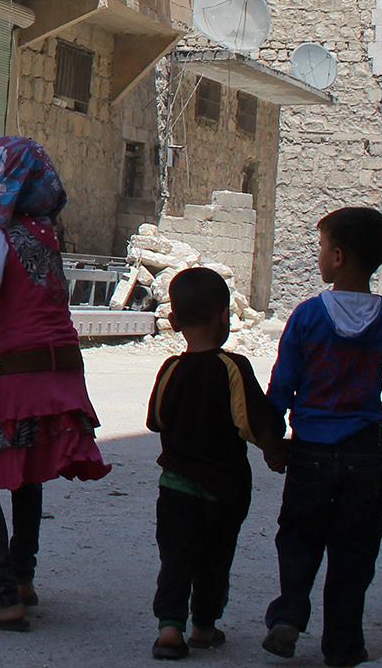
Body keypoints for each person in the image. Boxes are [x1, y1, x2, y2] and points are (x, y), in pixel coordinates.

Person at [0, 136, 112, 632]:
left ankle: (1, 595)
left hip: (26, 372)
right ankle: (23, 577)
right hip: (63, 370)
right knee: (27, 473)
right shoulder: (45, 232)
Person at [262, 208, 382, 667]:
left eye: (322, 247)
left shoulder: (307, 316)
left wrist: (270, 438)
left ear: (338, 257)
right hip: (364, 455)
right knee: (354, 551)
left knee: (299, 537)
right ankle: (342, 645)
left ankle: (288, 617)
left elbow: (282, 385)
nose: (319, 255)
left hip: (310, 452)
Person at [147, 266, 287, 660]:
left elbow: (155, 420)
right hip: (222, 491)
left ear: (173, 321)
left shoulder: (171, 369)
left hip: (174, 486)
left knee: (175, 557)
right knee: (214, 559)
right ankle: (204, 627)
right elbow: (252, 423)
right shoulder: (233, 367)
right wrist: (276, 452)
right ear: (225, 316)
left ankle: (170, 628)